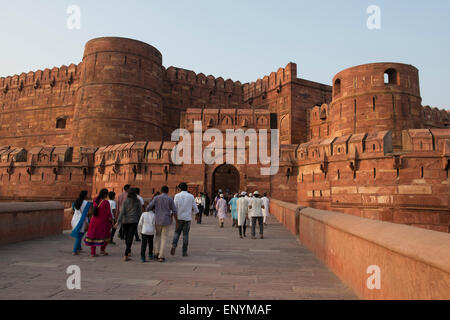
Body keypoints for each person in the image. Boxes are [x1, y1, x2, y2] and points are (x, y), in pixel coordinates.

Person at [147, 186, 177, 262]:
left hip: (158, 219)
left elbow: (148, 207)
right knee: (164, 238)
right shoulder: (170, 199)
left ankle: (156, 252)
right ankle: (161, 256)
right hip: (166, 220)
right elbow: (174, 210)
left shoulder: (156, 198)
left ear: (161, 191)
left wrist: (154, 210)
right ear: (168, 191)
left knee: (157, 236)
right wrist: (176, 220)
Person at [171, 183, 198, 257]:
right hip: (187, 218)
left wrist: (172, 215)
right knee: (185, 235)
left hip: (179, 218)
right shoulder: (191, 196)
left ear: (180, 188)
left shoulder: (177, 196)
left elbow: (174, 207)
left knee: (177, 233)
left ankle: (174, 246)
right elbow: (195, 207)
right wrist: (197, 214)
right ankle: (184, 251)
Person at [115, 188, 142, 261]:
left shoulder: (125, 201)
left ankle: (128, 251)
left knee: (127, 237)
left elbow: (122, 212)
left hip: (125, 221)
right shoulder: (137, 201)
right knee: (130, 237)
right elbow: (139, 212)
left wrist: (118, 222)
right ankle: (126, 254)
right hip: (133, 221)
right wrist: (140, 221)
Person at [84, 189, 112, 257]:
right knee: (106, 236)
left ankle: (92, 253)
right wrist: (112, 220)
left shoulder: (95, 200)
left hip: (94, 221)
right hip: (103, 222)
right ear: (105, 194)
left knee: (93, 236)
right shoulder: (106, 202)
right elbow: (108, 213)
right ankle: (102, 250)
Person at [71, 191, 91, 255]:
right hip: (82, 221)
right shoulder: (87, 203)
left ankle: (79, 248)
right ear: (85, 196)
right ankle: (75, 250)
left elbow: (72, 212)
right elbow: (90, 213)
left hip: (75, 220)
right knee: (79, 236)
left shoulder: (75, 202)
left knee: (79, 234)